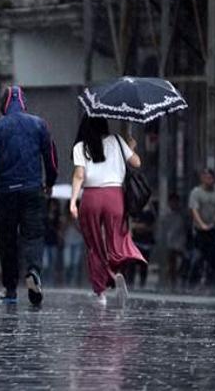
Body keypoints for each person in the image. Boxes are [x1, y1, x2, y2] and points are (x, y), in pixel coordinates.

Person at [0, 86, 58, 306]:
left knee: (7, 241)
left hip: (6, 193)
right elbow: (51, 158)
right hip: (32, 189)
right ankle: (33, 271)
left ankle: (10, 290)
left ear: (3, 106)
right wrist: (50, 182)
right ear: (24, 103)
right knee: (34, 235)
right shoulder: (39, 125)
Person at [69, 115, 146, 307]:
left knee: (94, 245)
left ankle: (101, 293)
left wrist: (72, 202)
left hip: (91, 197)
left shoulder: (80, 147)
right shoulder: (118, 141)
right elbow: (136, 163)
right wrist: (131, 146)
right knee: (116, 239)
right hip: (115, 196)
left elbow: (79, 175)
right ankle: (116, 271)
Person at [187, 168, 215, 286]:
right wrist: (202, 224)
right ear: (202, 179)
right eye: (207, 177)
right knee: (198, 255)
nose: (210, 180)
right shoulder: (196, 192)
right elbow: (194, 210)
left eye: (211, 178)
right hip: (200, 230)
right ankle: (192, 279)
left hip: (214, 228)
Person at [160, 193, 188, 288]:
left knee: (182, 263)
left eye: (176, 202)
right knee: (171, 264)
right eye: (172, 202)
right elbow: (163, 230)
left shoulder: (183, 215)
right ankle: (171, 283)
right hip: (170, 243)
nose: (174, 204)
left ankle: (180, 282)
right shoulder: (166, 215)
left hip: (181, 242)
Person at [126, 201, 156, 289]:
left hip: (145, 243)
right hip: (135, 242)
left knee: (143, 265)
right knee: (131, 264)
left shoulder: (150, 213)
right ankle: (130, 284)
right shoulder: (134, 211)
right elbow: (131, 224)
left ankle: (142, 284)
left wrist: (138, 226)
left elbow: (149, 226)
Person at [62, 211, 85, 287]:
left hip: (77, 242)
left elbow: (83, 231)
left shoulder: (81, 218)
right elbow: (62, 229)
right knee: (67, 264)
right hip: (68, 242)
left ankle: (73, 282)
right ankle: (65, 282)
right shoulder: (66, 218)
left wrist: (75, 223)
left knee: (75, 264)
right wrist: (68, 221)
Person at [41, 199, 61, 285]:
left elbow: (59, 228)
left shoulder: (58, 216)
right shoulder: (44, 215)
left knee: (52, 263)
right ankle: (44, 280)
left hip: (54, 241)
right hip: (45, 241)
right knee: (45, 263)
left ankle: (51, 280)